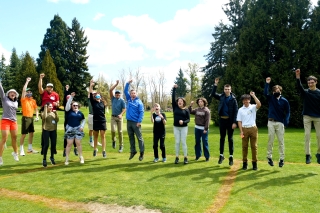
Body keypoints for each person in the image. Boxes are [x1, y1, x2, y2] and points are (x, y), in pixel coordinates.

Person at [264, 77, 290, 167]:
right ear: (273, 92)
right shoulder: (271, 98)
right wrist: (267, 83)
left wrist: (286, 120)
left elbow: (288, 112)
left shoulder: (284, 101)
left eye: (277, 90)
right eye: (274, 91)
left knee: (281, 141)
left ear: (280, 91)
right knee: (270, 140)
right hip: (271, 122)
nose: (276, 92)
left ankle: (282, 159)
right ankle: (269, 157)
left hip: (280, 123)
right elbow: (265, 93)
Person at [211, 78, 238, 166]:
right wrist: (215, 84)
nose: (227, 90)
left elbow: (235, 111)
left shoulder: (233, 99)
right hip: (222, 120)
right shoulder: (221, 96)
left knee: (230, 139)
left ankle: (231, 157)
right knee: (222, 138)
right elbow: (213, 94)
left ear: (231, 90)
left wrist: (235, 122)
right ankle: (221, 155)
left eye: (228, 89)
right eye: (225, 89)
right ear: (224, 90)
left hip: (230, 121)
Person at [295, 69, 320, 164]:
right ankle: (307, 155)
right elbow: (299, 86)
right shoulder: (305, 92)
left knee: (319, 136)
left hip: (318, 117)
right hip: (307, 117)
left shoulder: (319, 93)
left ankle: (319, 153)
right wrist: (298, 77)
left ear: (316, 82)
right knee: (307, 135)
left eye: (312, 83)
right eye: (309, 83)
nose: (310, 84)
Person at [237, 92, 261, 170]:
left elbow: (259, 104)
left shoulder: (253, 107)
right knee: (244, 147)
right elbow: (239, 121)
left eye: (247, 100)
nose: (245, 101)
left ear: (249, 100)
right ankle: (245, 163)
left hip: (253, 128)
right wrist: (241, 131)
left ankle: (254, 163)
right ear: (242, 101)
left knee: (254, 147)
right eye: (244, 100)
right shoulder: (240, 110)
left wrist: (254, 95)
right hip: (244, 129)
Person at [124, 79, 145, 161]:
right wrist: (127, 83)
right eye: (132, 93)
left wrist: (139, 122)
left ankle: (142, 153)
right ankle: (133, 151)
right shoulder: (129, 99)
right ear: (130, 94)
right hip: (129, 122)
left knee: (139, 138)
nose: (133, 94)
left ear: (136, 94)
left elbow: (141, 112)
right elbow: (125, 90)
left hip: (136, 122)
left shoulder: (139, 102)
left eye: (134, 93)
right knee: (131, 137)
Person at [0, 82, 19, 165]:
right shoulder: (4, 99)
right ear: (8, 94)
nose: (13, 94)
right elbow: (1, 90)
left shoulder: (16, 102)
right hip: (5, 121)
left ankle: (15, 153)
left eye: (14, 93)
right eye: (11, 92)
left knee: (14, 138)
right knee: (4, 138)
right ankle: (0, 157)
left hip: (14, 121)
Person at [19, 77, 40, 156]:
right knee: (24, 134)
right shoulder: (23, 99)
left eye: (30, 92)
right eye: (28, 91)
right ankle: (21, 149)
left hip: (31, 118)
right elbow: (23, 90)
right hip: (25, 118)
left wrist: (37, 116)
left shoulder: (33, 100)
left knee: (32, 133)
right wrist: (27, 81)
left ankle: (30, 148)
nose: (29, 93)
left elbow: (36, 109)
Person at [64, 92, 85, 165]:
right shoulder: (68, 111)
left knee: (78, 143)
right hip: (70, 129)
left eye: (76, 105)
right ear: (71, 106)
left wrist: (82, 126)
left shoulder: (80, 113)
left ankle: (81, 157)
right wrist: (71, 97)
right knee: (69, 144)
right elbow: (67, 105)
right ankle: (67, 158)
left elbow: (83, 120)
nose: (75, 106)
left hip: (78, 129)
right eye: (74, 105)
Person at [172, 84, 190, 164]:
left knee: (183, 142)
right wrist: (174, 89)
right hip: (176, 127)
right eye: (178, 101)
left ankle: (185, 157)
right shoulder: (175, 107)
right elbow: (173, 98)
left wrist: (183, 122)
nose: (179, 102)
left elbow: (188, 119)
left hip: (184, 128)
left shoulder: (186, 110)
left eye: (181, 101)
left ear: (183, 102)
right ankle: (177, 157)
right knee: (177, 142)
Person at [89, 80, 107, 158]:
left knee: (103, 136)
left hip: (102, 121)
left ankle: (103, 151)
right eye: (96, 95)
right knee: (96, 136)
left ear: (100, 96)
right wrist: (91, 85)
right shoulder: (93, 102)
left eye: (98, 95)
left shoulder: (103, 103)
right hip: (95, 121)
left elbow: (104, 113)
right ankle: (95, 149)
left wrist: (105, 118)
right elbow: (90, 93)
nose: (97, 96)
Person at [109, 80, 126, 152]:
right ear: (115, 94)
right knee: (113, 130)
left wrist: (121, 114)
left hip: (119, 118)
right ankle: (114, 141)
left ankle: (121, 146)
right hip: (113, 117)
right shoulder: (113, 99)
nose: (117, 95)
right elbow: (110, 90)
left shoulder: (122, 100)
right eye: (116, 94)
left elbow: (125, 109)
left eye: (119, 94)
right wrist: (116, 84)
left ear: (120, 94)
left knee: (120, 132)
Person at [41, 102, 59, 167]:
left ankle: (52, 157)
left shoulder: (53, 113)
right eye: (50, 106)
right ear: (47, 107)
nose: (51, 107)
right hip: (46, 130)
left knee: (53, 144)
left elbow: (57, 120)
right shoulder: (43, 112)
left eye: (51, 106)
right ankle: (44, 159)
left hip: (53, 130)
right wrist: (45, 108)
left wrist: (56, 113)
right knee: (46, 145)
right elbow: (44, 117)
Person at [62, 85, 77, 157]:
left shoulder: (74, 107)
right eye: (68, 99)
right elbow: (67, 101)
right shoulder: (67, 107)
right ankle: (64, 150)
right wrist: (67, 90)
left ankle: (75, 148)